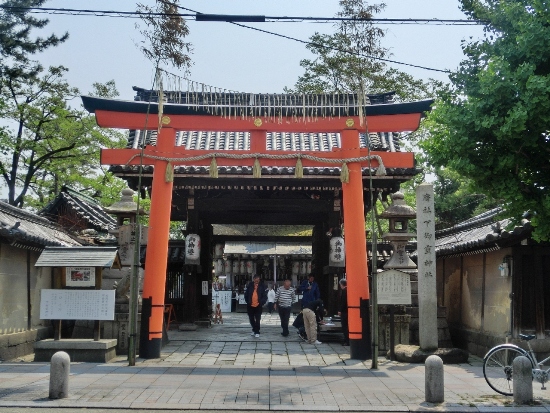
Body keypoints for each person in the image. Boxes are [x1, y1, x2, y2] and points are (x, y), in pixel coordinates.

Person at [338, 278, 349, 346]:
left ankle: (347, 340)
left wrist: (340, 310)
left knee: (345, 326)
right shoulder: (348, 290)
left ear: (341, 284)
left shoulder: (344, 291)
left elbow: (343, 302)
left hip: (345, 311)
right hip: (348, 311)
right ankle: (346, 340)